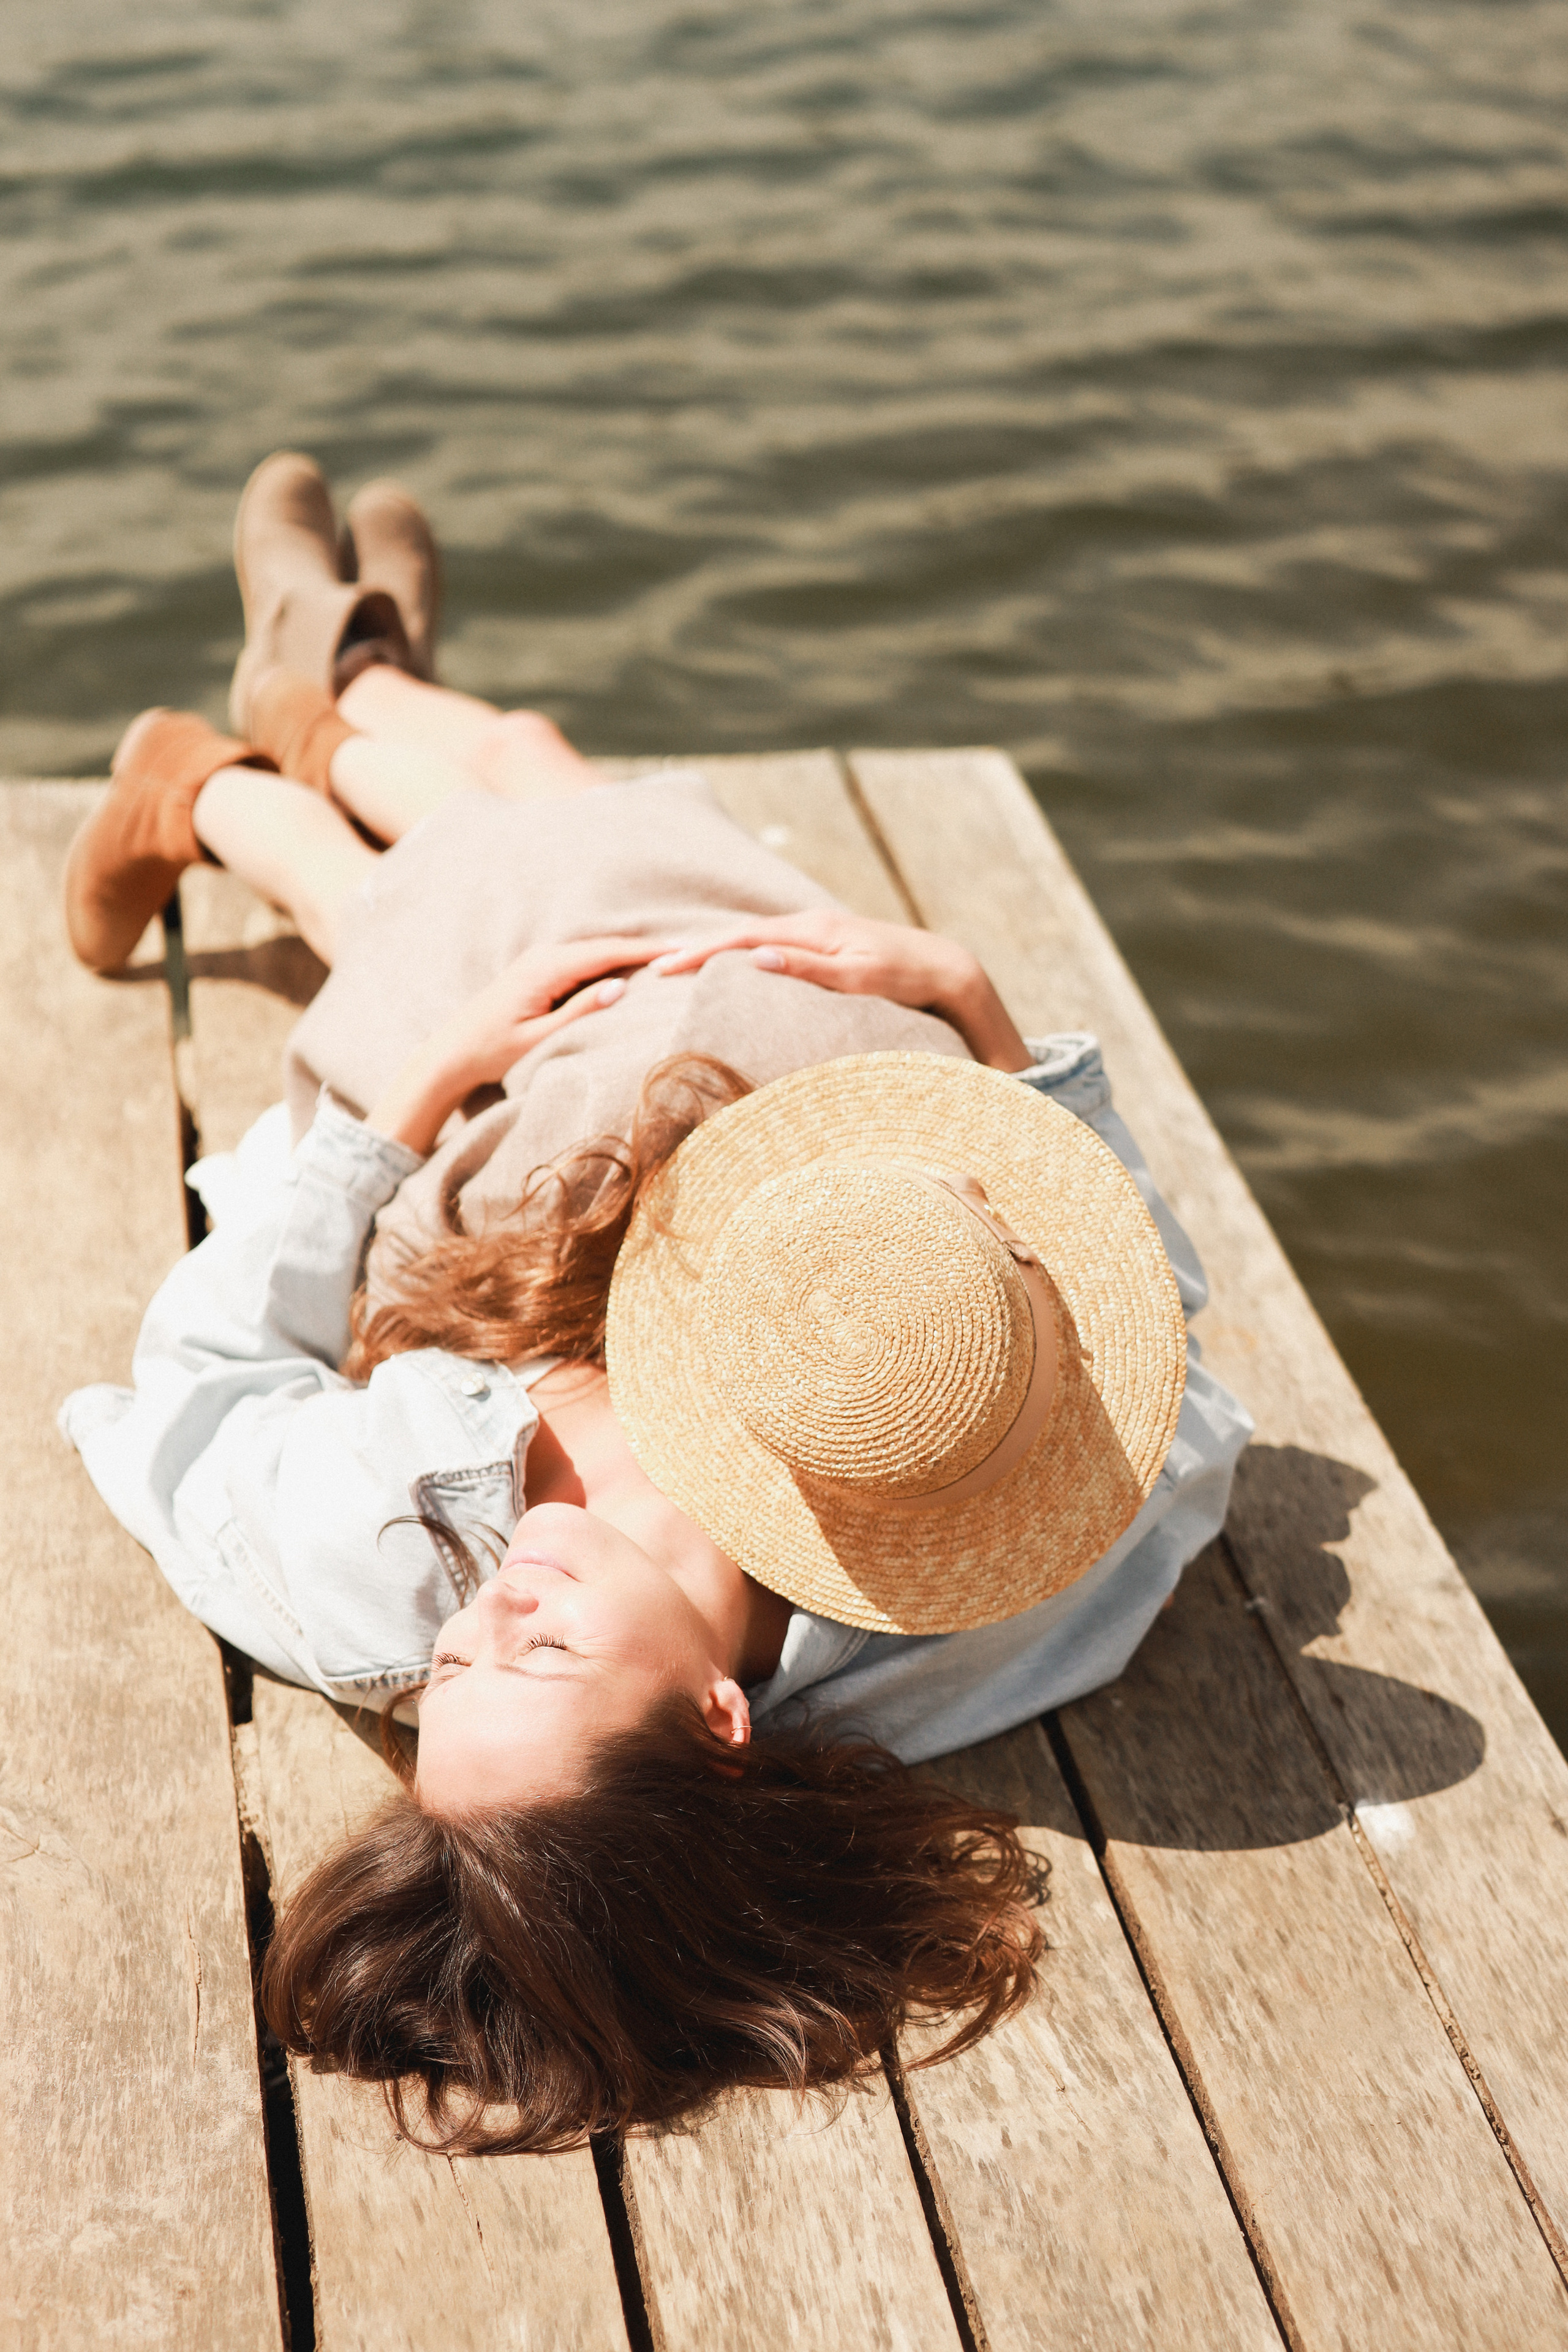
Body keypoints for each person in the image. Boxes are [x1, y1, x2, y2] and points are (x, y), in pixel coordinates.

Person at [59, 454, 1253, 2156]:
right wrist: (997, 1034)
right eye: (531, 1653)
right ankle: (327, 697)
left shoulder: (383, 1572)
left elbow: (197, 1384)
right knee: (539, 772)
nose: (482, 1617)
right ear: (716, 1719)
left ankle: (235, 766)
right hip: (830, 1079)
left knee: (466, 865)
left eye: (446, 1673)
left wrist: (411, 1094)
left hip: (517, 1163)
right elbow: (1174, 1400)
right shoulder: (954, 1602)